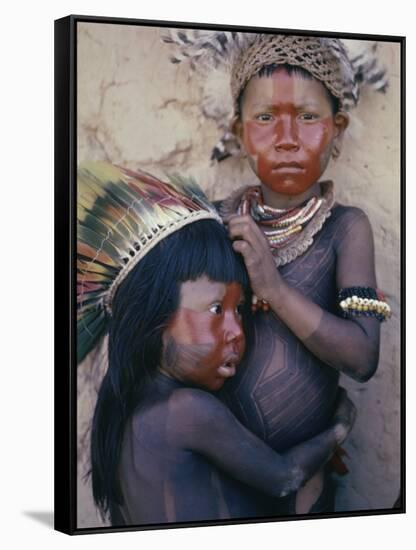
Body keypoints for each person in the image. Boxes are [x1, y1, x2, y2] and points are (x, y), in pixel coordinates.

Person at [161, 32, 391, 514]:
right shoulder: (214, 225)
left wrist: (274, 289)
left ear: (338, 130)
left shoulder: (345, 231)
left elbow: (363, 357)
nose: (287, 139)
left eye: (308, 118)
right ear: (241, 132)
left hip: (304, 492)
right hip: (214, 485)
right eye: (265, 119)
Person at [77, 161, 356, 526]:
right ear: (152, 320)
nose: (237, 331)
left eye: (239, 310)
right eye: (215, 308)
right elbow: (282, 477)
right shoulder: (186, 410)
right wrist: (338, 427)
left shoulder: (127, 414)